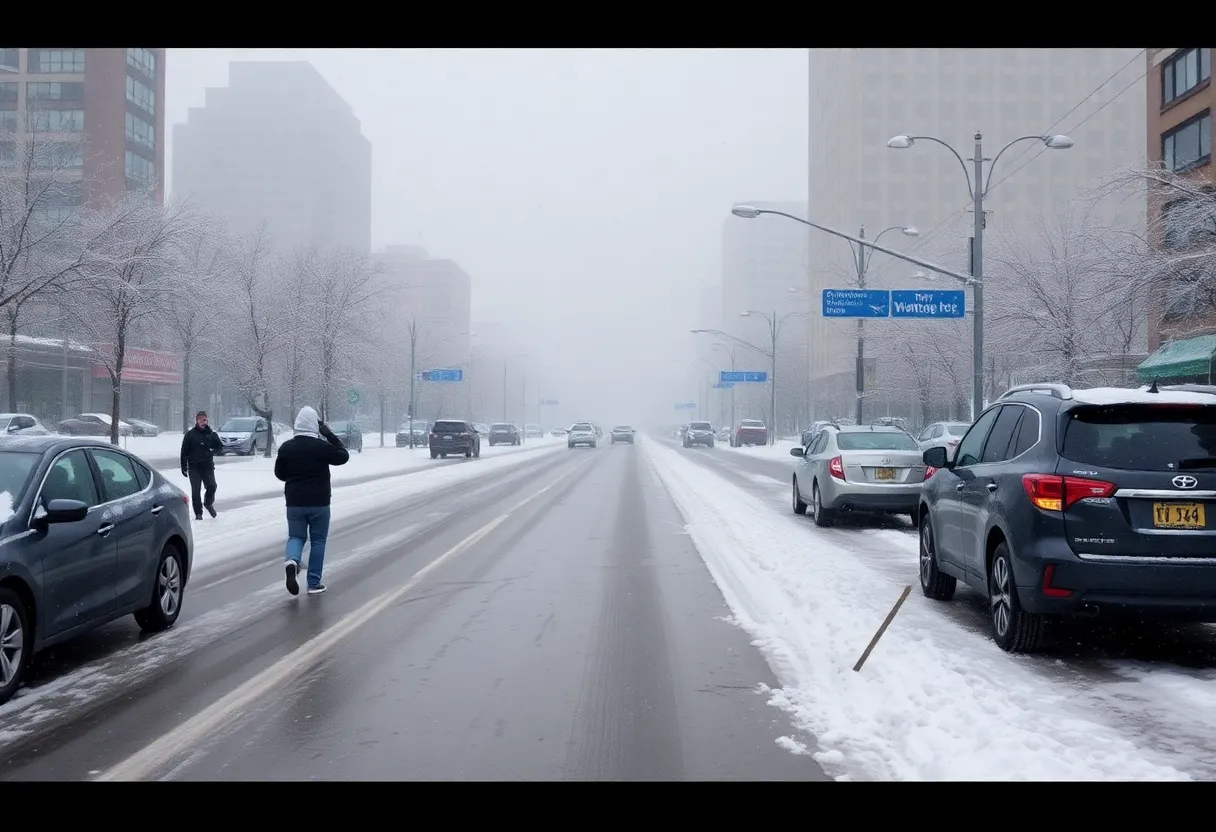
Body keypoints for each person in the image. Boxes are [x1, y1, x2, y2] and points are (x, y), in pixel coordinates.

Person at [274, 405, 350, 596]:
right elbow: (343, 456)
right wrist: (329, 435)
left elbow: (280, 474)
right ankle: (313, 583)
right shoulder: (322, 447)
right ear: (315, 426)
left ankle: (292, 560)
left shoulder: (286, 447)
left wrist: (294, 476)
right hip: (319, 503)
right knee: (318, 541)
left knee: (296, 537)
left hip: (294, 502)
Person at [180, 410, 223, 521]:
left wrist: (211, 438)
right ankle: (198, 513)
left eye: (204, 419)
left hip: (207, 466)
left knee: (212, 486)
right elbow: (184, 451)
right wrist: (184, 467)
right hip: (194, 467)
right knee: (196, 491)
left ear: (207, 420)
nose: (202, 421)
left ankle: (208, 503)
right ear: (197, 420)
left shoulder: (211, 434)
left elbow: (219, 447)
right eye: (200, 419)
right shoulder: (190, 435)